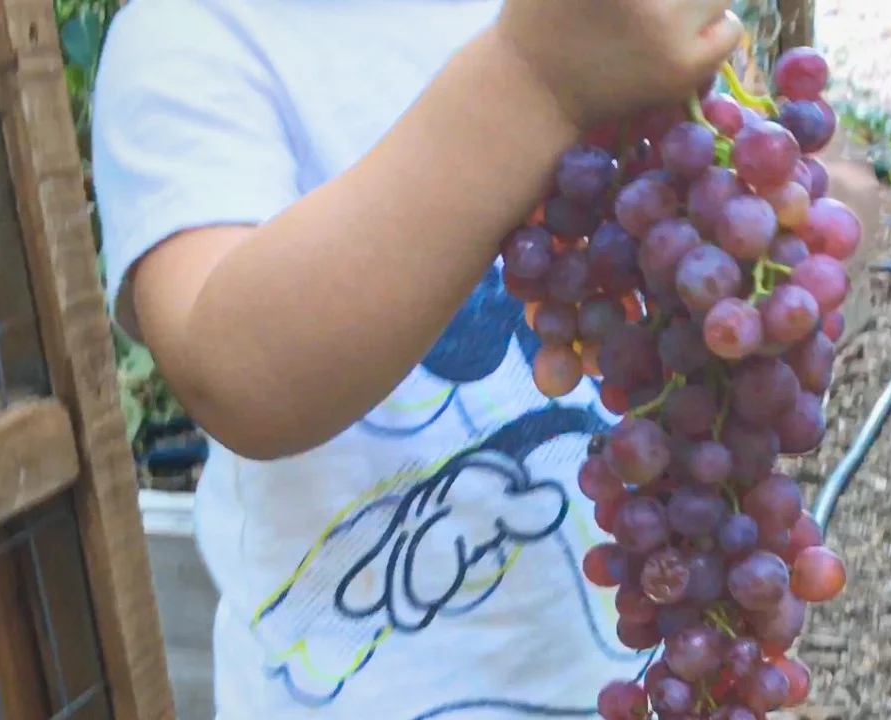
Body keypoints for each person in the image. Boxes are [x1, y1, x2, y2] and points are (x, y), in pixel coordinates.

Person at [92, 0, 743, 717]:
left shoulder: (600, 17)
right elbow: (242, 380)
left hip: (638, 676)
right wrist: (533, 81)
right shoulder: (192, 37)